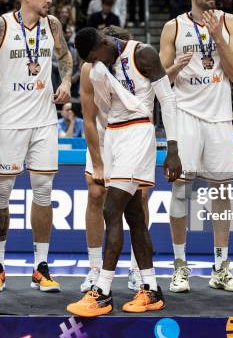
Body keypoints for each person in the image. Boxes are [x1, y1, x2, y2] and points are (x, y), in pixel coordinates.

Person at [67, 27, 182, 316]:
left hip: (138, 132)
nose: (97, 63)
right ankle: (152, 289)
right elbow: (99, 111)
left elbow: (167, 100)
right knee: (135, 217)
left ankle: (103, 291)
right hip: (114, 137)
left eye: (96, 57)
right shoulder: (98, 68)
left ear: (105, 43)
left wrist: (173, 148)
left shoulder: (142, 53)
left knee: (110, 209)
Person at [0, 0, 72, 294]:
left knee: (44, 191)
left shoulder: (53, 24)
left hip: (44, 121)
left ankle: (41, 266)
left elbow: (66, 57)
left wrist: (66, 82)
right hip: (8, 122)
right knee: (1, 194)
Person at [158, 0, 233, 294]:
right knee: (181, 191)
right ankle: (180, 266)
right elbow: (159, 81)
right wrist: (175, 69)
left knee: (222, 195)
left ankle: (221, 267)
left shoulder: (230, 22)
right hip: (185, 117)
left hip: (219, 117)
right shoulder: (173, 27)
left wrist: (218, 36)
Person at [78, 25, 150, 294]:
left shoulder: (137, 60)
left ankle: (136, 269)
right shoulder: (90, 69)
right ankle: (95, 268)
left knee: (139, 199)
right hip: (104, 135)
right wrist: (97, 163)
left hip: (132, 136)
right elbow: (87, 118)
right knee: (96, 194)